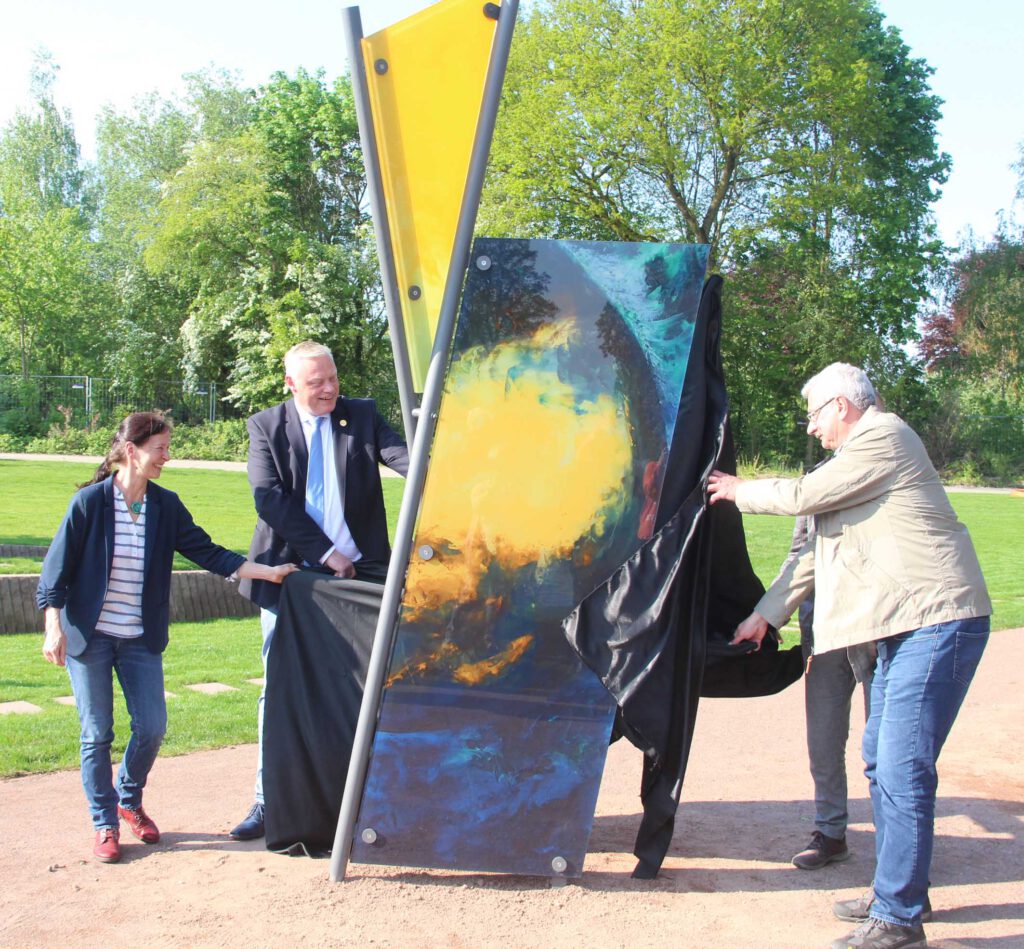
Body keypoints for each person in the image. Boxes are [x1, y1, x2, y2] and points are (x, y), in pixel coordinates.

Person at [707, 363, 991, 949]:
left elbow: (806, 495)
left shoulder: (885, 436)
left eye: (813, 415)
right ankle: (897, 889)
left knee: (901, 764)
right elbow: (811, 556)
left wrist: (737, 489)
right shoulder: (853, 463)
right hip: (902, 628)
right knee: (882, 761)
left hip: (936, 621)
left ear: (841, 405)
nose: (811, 429)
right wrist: (766, 615)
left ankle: (898, 918)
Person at [38, 411, 297, 864]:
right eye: (160, 448)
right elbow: (55, 573)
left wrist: (267, 571)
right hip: (90, 637)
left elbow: (207, 551)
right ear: (132, 450)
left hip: (139, 638)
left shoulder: (165, 506)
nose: (166, 457)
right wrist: (53, 626)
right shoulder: (90, 504)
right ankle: (105, 823)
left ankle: (128, 798)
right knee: (97, 733)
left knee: (153, 727)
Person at [230, 340, 409, 841]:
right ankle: (269, 802)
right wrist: (328, 552)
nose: (329, 388)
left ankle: (378, 799)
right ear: (290, 385)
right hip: (290, 578)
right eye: (316, 382)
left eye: (332, 378)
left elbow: (404, 458)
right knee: (278, 688)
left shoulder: (363, 416)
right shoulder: (266, 427)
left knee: (376, 684)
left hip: (362, 576)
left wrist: (431, 468)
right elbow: (270, 501)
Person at [784, 512, 877, 871]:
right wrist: (777, 613)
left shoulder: (884, 470)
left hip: (878, 635)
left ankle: (898, 854)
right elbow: (798, 555)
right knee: (823, 743)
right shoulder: (816, 483)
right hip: (823, 637)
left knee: (888, 752)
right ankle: (830, 833)